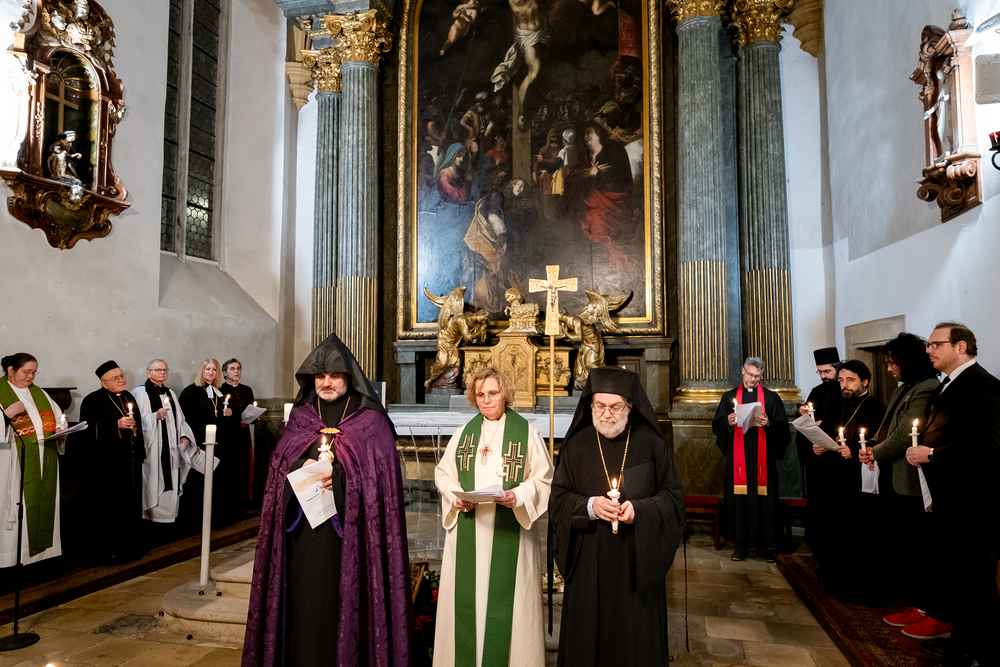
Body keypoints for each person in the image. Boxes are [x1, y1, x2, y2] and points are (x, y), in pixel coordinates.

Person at [242, 334, 411, 667]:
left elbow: (380, 481)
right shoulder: (302, 416)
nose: (326, 382)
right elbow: (279, 468)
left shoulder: (370, 421)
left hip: (351, 538)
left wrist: (343, 478)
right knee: (304, 604)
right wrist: (299, 466)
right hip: (303, 535)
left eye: (334, 375)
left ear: (348, 377)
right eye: (320, 376)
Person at [549, 366, 684, 667]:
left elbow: (673, 499)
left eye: (615, 407)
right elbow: (557, 500)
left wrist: (641, 510)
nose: (606, 414)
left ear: (630, 405)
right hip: (588, 562)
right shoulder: (576, 445)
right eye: (600, 406)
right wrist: (589, 506)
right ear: (590, 404)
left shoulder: (652, 444)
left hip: (636, 562)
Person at [433, 366, 553, 667]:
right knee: (467, 606)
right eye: (480, 394)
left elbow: (544, 479)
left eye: (493, 393)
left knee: (511, 607)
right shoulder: (464, 434)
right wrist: (456, 497)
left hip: (510, 532)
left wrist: (518, 496)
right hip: (469, 530)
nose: (486, 399)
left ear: (505, 395)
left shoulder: (526, 433)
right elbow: (443, 473)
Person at [903, 323, 1000, 663]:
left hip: (972, 503)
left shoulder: (984, 386)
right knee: (958, 578)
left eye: (935, 344)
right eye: (928, 345)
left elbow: (990, 444)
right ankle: (962, 640)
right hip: (950, 499)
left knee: (975, 581)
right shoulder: (948, 384)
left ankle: (981, 652)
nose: (928, 350)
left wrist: (932, 454)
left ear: (961, 347)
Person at [858, 333, 939, 621]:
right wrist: (872, 447)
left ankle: (925, 606)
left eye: (894, 363)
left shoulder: (927, 388)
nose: (890, 368)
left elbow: (905, 433)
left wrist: (876, 453)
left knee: (919, 545)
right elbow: (888, 427)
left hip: (911, 479)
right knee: (905, 544)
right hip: (893, 474)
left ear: (908, 360)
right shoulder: (904, 388)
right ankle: (915, 602)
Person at [810, 360, 884, 599]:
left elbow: (878, 445)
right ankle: (832, 580)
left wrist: (852, 451)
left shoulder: (877, 409)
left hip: (858, 482)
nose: (844, 385)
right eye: (841, 380)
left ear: (865, 381)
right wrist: (820, 446)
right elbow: (827, 435)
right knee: (834, 531)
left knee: (855, 534)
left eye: (850, 380)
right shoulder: (835, 406)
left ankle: (854, 586)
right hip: (834, 480)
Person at [712, 357, 790, 562]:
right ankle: (740, 545)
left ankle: (764, 546)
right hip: (738, 459)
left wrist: (769, 424)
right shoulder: (729, 397)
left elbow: (784, 431)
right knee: (739, 499)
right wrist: (728, 423)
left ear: (761, 376)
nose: (753, 379)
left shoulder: (771, 398)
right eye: (750, 374)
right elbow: (716, 426)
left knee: (764, 500)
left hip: (763, 459)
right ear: (743, 371)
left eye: (757, 376)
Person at [0, 353, 65, 567]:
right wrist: (6, 415)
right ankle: (12, 558)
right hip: (12, 460)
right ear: (11, 370)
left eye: (34, 372)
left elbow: (58, 418)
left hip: (45, 457)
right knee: (16, 506)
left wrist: (61, 430)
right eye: (26, 372)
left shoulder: (40, 394)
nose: (31, 376)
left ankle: (39, 557)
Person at [78, 360, 146, 562]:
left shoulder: (128, 396)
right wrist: (115, 424)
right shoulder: (92, 400)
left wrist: (140, 453)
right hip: (107, 467)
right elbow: (87, 431)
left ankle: (131, 547)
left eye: (122, 375)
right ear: (103, 383)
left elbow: (138, 428)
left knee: (131, 505)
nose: (121, 380)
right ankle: (109, 550)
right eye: (115, 378)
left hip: (130, 463)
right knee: (110, 508)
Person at [133, 359, 197, 525]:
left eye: (164, 370)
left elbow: (180, 420)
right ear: (148, 373)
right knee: (153, 479)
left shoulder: (171, 394)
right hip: (153, 448)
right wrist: (154, 416)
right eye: (158, 370)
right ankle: (151, 519)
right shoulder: (140, 393)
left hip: (171, 447)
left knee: (171, 479)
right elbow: (136, 421)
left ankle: (168, 521)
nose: (162, 373)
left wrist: (184, 436)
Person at [796, 346, 844, 556]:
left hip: (835, 461)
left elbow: (845, 423)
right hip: (816, 461)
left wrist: (826, 429)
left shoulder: (844, 391)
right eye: (820, 372)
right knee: (817, 505)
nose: (823, 376)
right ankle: (816, 546)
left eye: (827, 371)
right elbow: (809, 421)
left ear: (837, 368)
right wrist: (805, 416)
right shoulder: (816, 391)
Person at [179, 359, 234, 530]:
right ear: (201, 371)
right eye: (207, 369)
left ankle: (216, 518)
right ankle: (195, 521)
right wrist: (192, 440)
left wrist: (229, 413)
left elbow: (226, 419)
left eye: (214, 369)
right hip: (199, 444)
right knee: (198, 482)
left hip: (219, 444)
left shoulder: (221, 392)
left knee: (218, 481)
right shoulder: (190, 392)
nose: (211, 372)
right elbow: (184, 420)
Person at [221, 358, 256, 513]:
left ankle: (244, 503)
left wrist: (255, 416)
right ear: (224, 372)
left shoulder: (246, 390)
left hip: (244, 433)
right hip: (229, 434)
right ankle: (231, 505)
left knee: (245, 466)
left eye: (238, 368)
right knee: (231, 467)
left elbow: (250, 408)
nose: (236, 371)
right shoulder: (220, 389)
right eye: (232, 369)